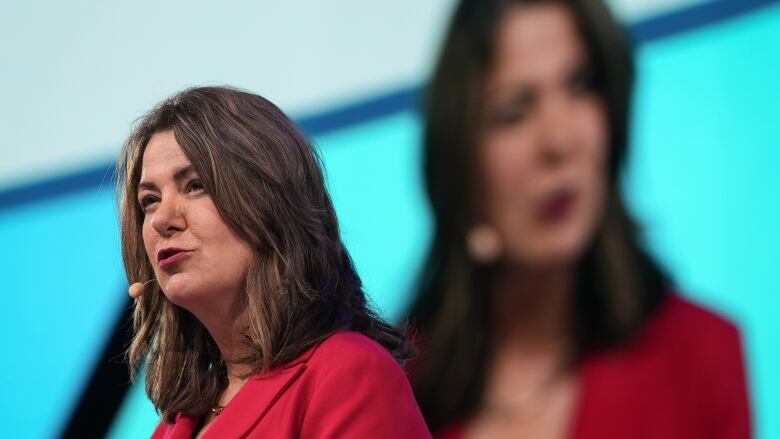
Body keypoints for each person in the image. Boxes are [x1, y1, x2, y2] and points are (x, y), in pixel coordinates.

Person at [406, 0, 751, 438]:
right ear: (458, 162)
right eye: (514, 110)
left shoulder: (702, 354)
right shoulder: (396, 386)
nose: (559, 139)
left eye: (581, 86)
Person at [117, 86, 431, 438]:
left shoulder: (348, 374)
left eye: (195, 186)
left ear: (268, 205)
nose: (161, 220)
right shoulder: (172, 427)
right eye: (149, 201)